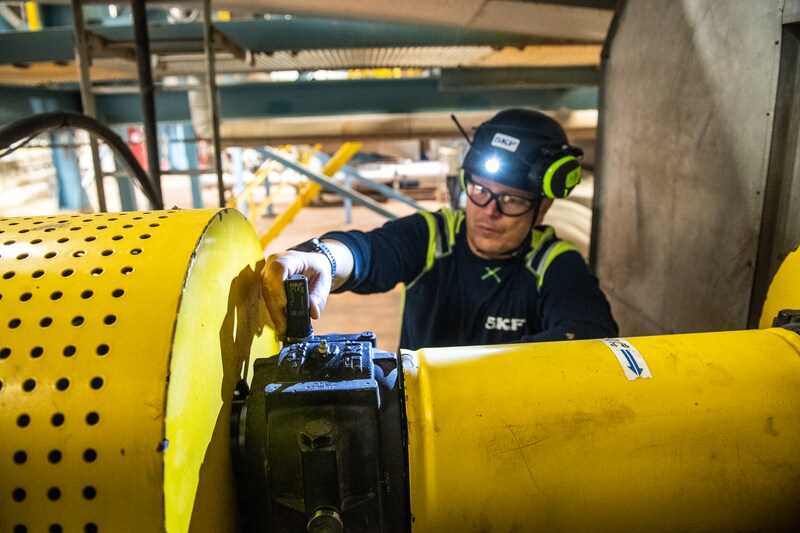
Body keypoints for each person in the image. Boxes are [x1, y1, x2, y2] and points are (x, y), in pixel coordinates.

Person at [262, 108, 618, 350]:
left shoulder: (552, 263)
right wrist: (326, 259)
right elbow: (371, 251)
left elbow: (590, 333)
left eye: (511, 200)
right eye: (479, 190)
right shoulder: (436, 235)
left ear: (542, 208)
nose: (488, 212)